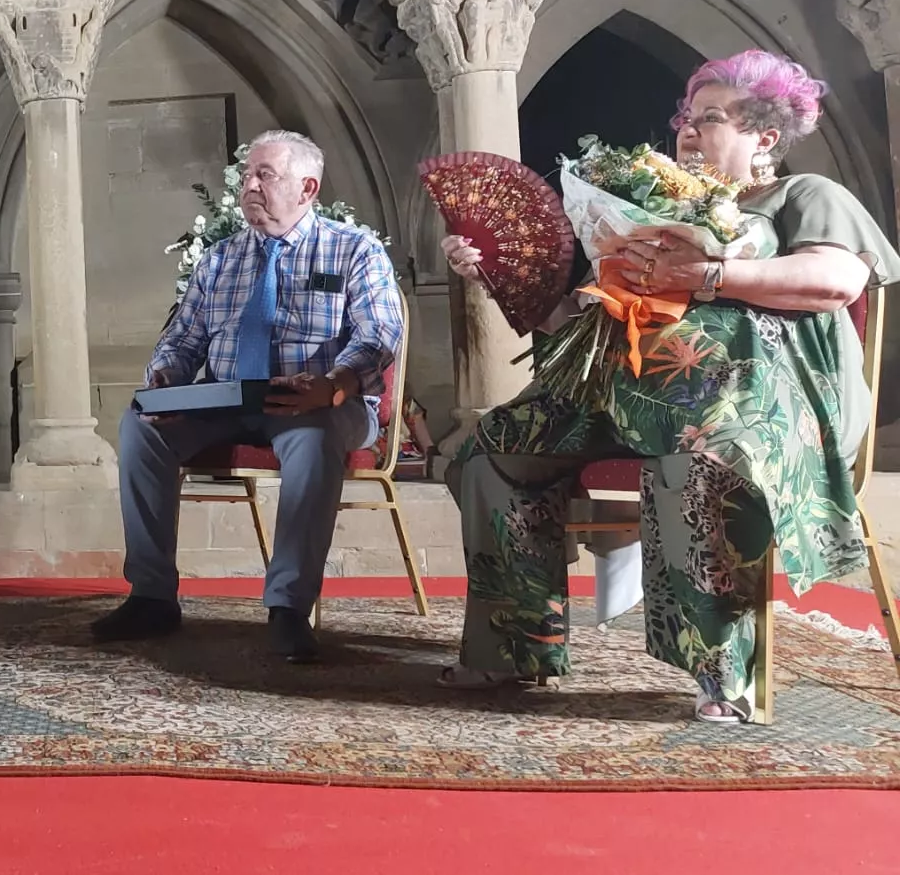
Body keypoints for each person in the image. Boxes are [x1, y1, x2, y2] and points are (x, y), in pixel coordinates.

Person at [440, 50, 900, 723]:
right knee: (492, 448)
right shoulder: (642, 209)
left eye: (710, 118)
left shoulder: (802, 197)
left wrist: (708, 276)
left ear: (764, 136)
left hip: (758, 401)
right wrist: (493, 273)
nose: (688, 129)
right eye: (686, 117)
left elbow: (835, 281)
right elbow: (575, 319)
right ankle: (515, 645)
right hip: (623, 391)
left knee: (700, 452)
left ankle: (722, 674)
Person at [94, 131, 404, 663]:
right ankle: (151, 596)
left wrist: (335, 385)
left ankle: (288, 608)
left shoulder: (353, 250)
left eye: (267, 175)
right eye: (248, 175)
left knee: (311, 436)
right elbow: (182, 339)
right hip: (227, 401)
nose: (251, 185)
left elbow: (380, 335)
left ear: (308, 188)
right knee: (140, 426)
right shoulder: (219, 260)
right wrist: (165, 378)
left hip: (320, 401)